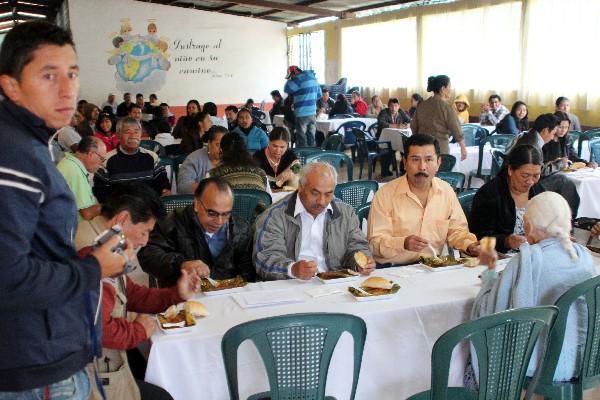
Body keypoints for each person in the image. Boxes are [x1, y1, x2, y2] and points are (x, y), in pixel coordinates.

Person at [0, 20, 127, 397]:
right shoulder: (14, 156)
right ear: (10, 85)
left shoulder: (30, 144)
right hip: (35, 369)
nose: (68, 88)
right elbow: (7, 277)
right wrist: (93, 269)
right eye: (48, 75)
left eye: (72, 74)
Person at [78, 185, 190, 400]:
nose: (145, 241)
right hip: (95, 377)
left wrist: (176, 294)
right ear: (122, 219)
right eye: (144, 231)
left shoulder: (109, 244)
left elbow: (132, 294)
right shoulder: (92, 253)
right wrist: (138, 330)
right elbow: (100, 330)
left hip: (111, 362)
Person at [471, 192, 596, 382]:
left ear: (528, 225)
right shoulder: (583, 256)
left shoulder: (528, 260)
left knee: (466, 360)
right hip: (586, 359)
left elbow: (491, 309)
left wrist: (490, 279)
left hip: (543, 364)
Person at [368, 134, 480, 265]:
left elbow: (457, 231)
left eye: (428, 160)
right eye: (415, 160)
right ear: (404, 163)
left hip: (432, 266)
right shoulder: (385, 195)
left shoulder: (446, 191)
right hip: (392, 268)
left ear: (438, 163)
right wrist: (403, 243)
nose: (422, 167)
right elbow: (374, 243)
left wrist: (470, 246)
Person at [254, 162, 375, 280]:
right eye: (315, 193)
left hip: (335, 282)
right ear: (301, 187)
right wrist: (292, 269)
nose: (322, 201)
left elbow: (357, 245)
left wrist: (360, 262)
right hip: (292, 284)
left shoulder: (345, 213)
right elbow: (264, 259)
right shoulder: (275, 215)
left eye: (328, 194)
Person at [138, 177, 256, 287]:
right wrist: (181, 264)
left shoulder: (240, 228)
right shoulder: (172, 223)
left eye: (226, 214)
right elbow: (147, 256)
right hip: (183, 293)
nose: (220, 221)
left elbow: (248, 271)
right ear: (197, 204)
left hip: (227, 295)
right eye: (212, 213)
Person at [470, 145, 545, 254]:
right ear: (510, 170)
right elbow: (477, 237)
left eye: (536, 176)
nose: (530, 181)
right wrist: (506, 241)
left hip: (534, 254)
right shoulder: (489, 194)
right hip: (499, 257)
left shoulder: (539, 191)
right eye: (525, 175)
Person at [93, 117, 171, 202]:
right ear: (118, 135)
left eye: (136, 132)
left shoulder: (152, 157)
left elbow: (163, 183)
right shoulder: (106, 161)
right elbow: (101, 193)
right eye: (128, 132)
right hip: (120, 210)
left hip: (148, 208)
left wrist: (165, 191)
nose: (133, 136)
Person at [410, 75, 467, 159]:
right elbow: (456, 128)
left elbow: (413, 126)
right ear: (443, 89)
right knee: (440, 171)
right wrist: (463, 148)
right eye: (449, 87)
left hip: (422, 148)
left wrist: (420, 139)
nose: (450, 89)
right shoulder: (446, 107)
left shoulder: (422, 105)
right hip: (440, 149)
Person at [57, 135, 106, 221]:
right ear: (91, 154)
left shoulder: (71, 164)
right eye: (102, 159)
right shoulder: (72, 169)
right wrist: (113, 206)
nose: (101, 164)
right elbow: (87, 213)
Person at [177, 126, 227, 194]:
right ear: (209, 143)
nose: (221, 149)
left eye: (225, 145)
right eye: (218, 145)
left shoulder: (231, 159)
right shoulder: (194, 159)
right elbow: (183, 186)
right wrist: (209, 190)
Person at [284, 65, 321, 147]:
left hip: (301, 114)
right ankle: (312, 156)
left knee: (302, 139)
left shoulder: (298, 79)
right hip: (312, 114)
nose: (292, 78)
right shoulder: (313, 78)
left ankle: (303, 157)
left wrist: (289, 80)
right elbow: (319, 94)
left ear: (295, 72)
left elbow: (287, 89)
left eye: (291, 76)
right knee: (311, 137)